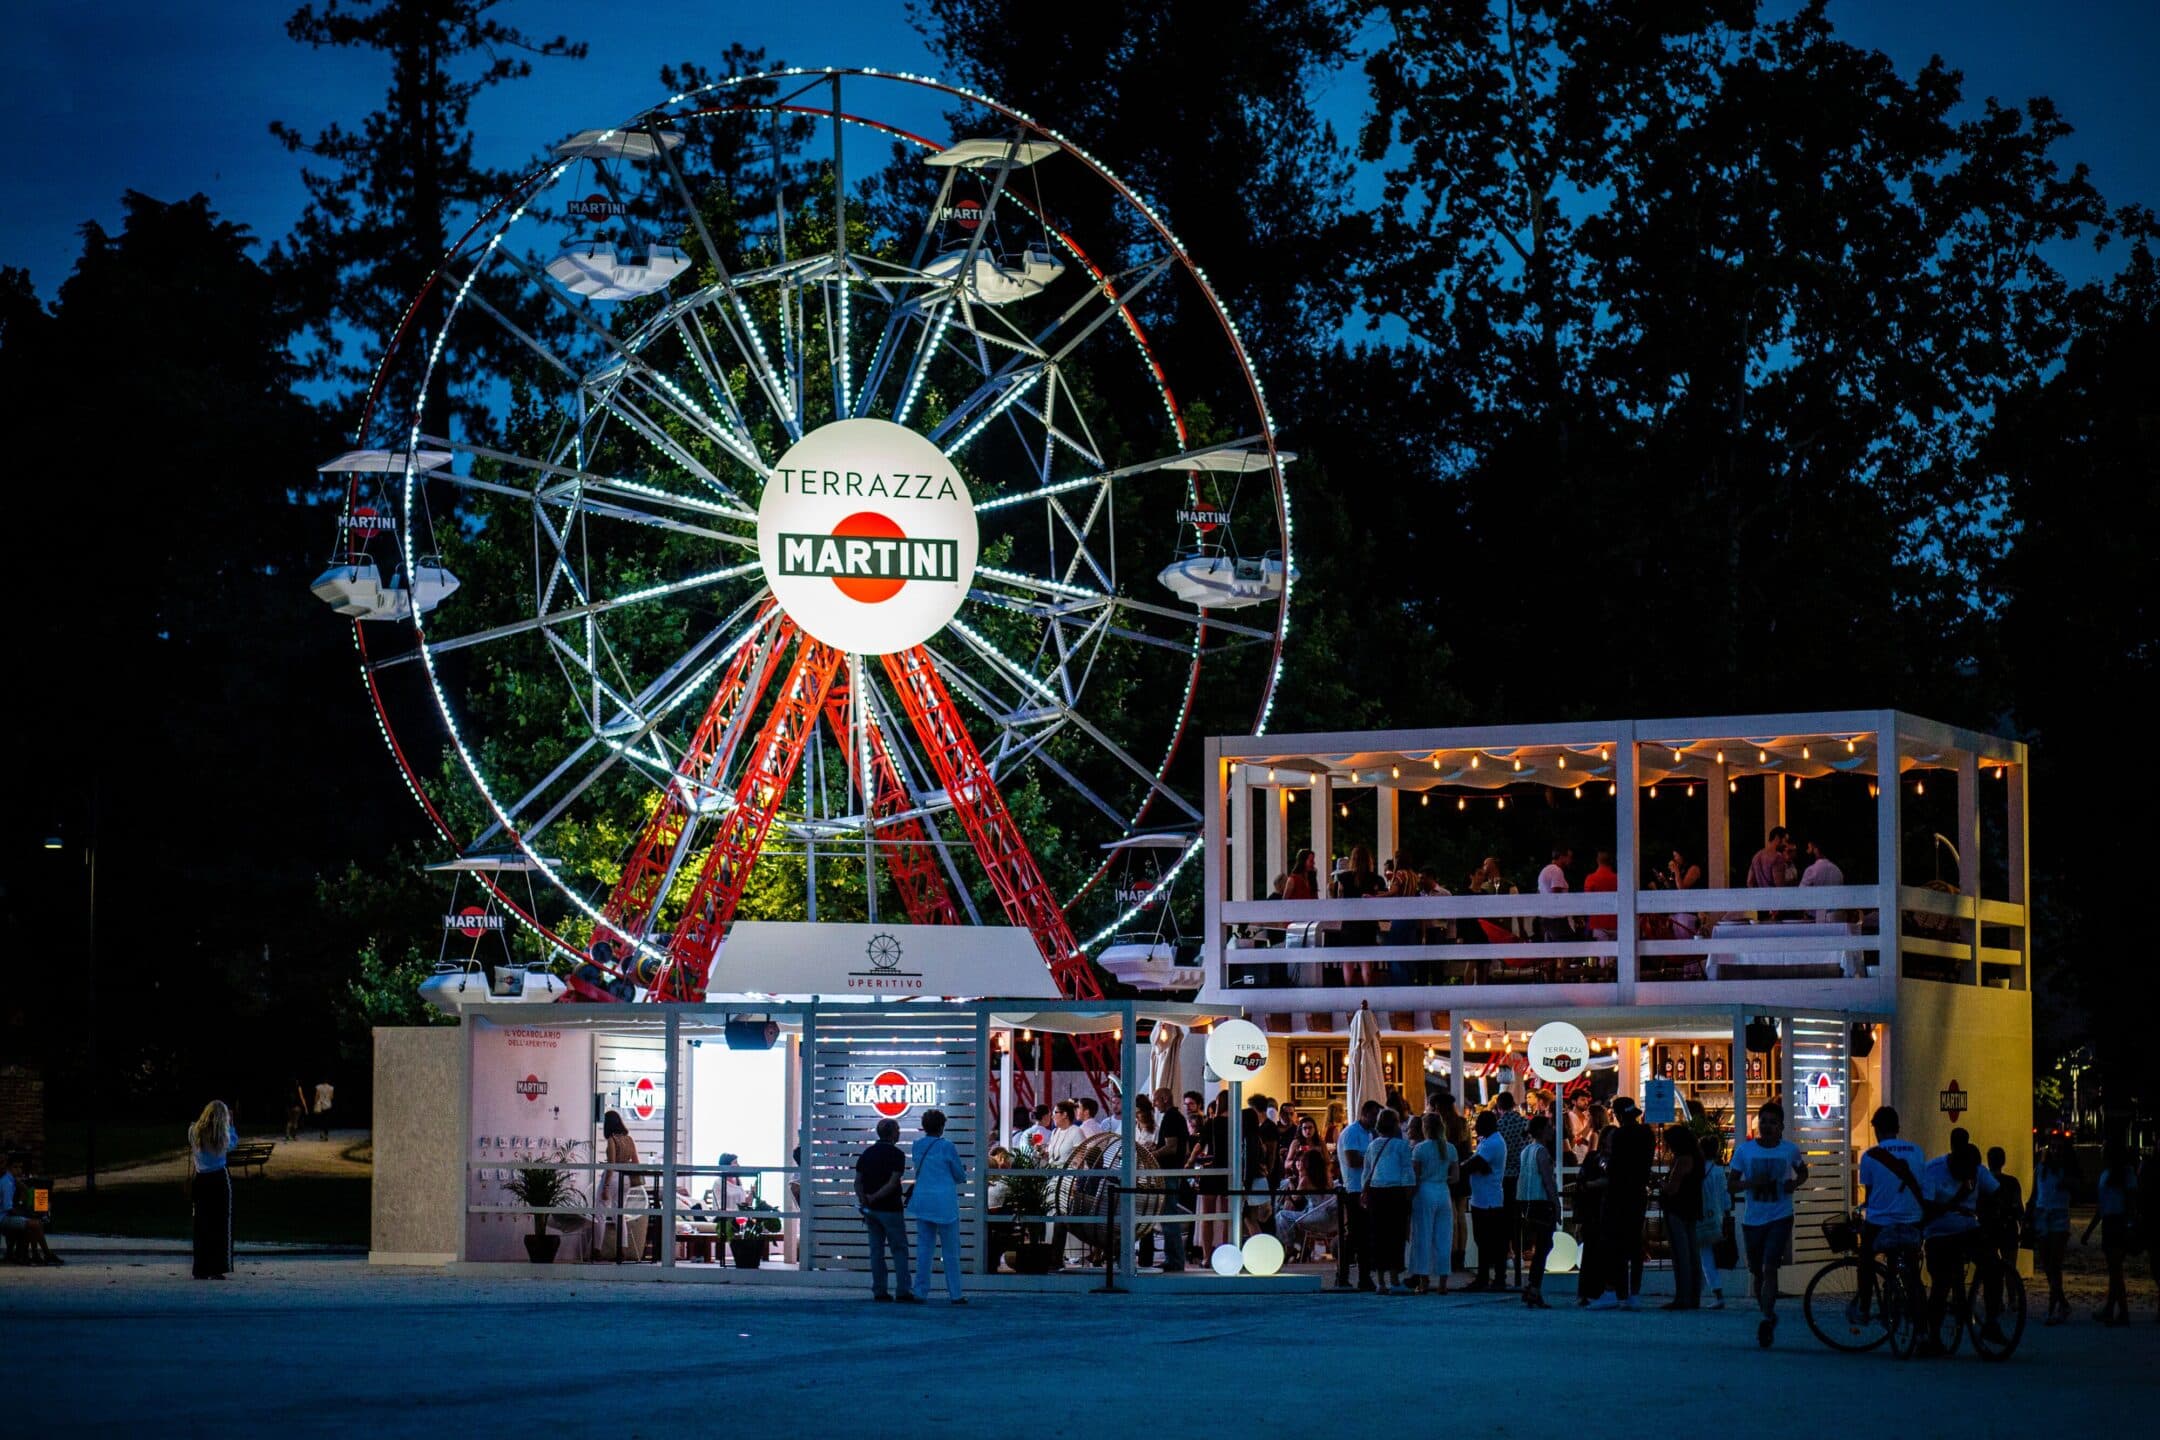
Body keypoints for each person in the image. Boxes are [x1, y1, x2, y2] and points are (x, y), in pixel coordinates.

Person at [1728, 1101, 1807, 1345]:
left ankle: (1764, 1317)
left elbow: (1803, 1171)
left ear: (1781, 1126)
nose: (1767, 1126)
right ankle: (1769, 1313)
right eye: (1763, 1121)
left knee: (1770, 1266)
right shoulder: (1745, 1151)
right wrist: (1752, 1183)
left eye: (1773, 1122)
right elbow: (1732, 1184)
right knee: (1756, 1271)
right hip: (1754, 1219)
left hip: (1780, 1215)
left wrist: (1794, 1184)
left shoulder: (1789, 1150)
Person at [1920, 1138, 2000, 1351]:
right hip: (1939, 1232)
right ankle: (1933, 1336)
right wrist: (1957, 1199)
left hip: (1968, 1228)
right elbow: (1927, 1209)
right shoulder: (1933, 1170)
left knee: (1993, 1264)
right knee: (1941, 1282)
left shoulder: (1977, 1170)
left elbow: (1997, 1194)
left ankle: (1992, 1321)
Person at [1855, 1105, 1927, 1322]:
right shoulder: (1917, 1150)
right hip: (1913, 1220)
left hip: (1880, 1224)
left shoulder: (1870, 1156)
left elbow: (1869, 1196)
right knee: (1913, 1272)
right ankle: (1922, 1327)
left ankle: (1865, 1307)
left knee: (1865, 1259)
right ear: (1897, 1127)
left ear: (1876, 1129)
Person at [1589, 1096, 1654, 1311]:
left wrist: (1603, 1162)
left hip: (1617, 1194)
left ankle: (1612, 1291)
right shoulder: (1647, 1134)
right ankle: (1634, 1293)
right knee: (1635, 1244)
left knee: (1612, 1244)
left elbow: (1613, 1167)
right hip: (1638, 1193)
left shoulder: (1619, 1135)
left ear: (1617, 1115)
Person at [908, 1109, 967, 1304]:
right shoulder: (947, 1146)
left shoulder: (916, 1146)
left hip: (923, 1201)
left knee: (924, 1249)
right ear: (942, 1126)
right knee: (951, 1251)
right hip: (945, 1204)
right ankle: (955, 1293)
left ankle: (920, 1291)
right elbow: (959, 1175)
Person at [855, 1118, 914, 1302]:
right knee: (899, 1250)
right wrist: (875, 1197)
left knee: (876, 1251)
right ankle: (903, 1291)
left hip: (871, 1211)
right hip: (891, 1209)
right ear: (894, 1133)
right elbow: (893, 1183)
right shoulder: (897, 1155)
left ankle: (879, 1290)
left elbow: (857, 1183)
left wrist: (865, 1201)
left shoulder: (867, 1154)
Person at [2081, 1141, 2137, 1327]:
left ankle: (2119, 1311)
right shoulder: (2110, 1175)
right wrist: (2089, 1230)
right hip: (2111, 1222)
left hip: (2118, 1222)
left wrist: (2130, 1224)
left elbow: (2130, 1202)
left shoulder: (2125, 1174)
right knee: (2114, 1271)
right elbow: (2102, 1207)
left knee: (2115, 1271)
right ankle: (2114, 1310)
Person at [1363, 1109, 1416, 1294]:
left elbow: (1366, 1171)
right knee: (1395, 1236)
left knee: (1378, 1236)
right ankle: (1394, 1278)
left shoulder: (1373, 1145)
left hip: (1376, 1194)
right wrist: (1409, 1196)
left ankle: (1380, 1282)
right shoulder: (1402, 1146)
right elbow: (1407, 1172)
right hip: (1396, 1193)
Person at [2030, 1132, 2077, 1324]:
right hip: (2042, 1216)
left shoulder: (2068, 1170)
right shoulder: (2041, 1168)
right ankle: (2062, 1303)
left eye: (2059, 1148)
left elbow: (2077, 1188)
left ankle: (2053, 1308)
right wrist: (2028, 1214)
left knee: (2055, 1264)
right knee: (2048, 1265)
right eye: (2053, 1147)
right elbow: (2035, 1193)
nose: (2056, 1151)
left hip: (2059, 1216)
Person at [1333, 1099, 1380, 1292]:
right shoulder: (1352, 1133)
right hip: (1355, 1188)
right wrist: (1374, 1159)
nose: (1376, 1120)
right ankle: (1344, 1275)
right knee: (1356, 1235)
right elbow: (1351, 1160)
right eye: (1374, 1115)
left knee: (1362, 1235)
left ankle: (1361, 1276)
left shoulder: (1370, 1134)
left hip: (1365, 1188)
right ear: (1365, 1113)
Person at [188, 1100, 237, 1280]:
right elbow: (233, 1144)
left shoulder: (193, 1131)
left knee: (201, 1224)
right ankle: (218, 1266)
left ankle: (200, 1267)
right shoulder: (223, 1135)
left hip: (201, 1178)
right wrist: (231, 1125)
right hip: (219, 1178)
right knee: (222, 1224)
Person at [1408, 1112, 1456, 1293]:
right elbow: (1455, 1177)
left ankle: (1423, 1281)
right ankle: (1443, 1283)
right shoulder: (1450, 1148)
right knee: (1444, 1237)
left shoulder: (1420, 1149)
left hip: (1424, 1192)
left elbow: (1415, 1176)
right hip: (1443, 1191)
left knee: (1422, 1236)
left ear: (1425, 1128)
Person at [1145, 1085, 1191, 1272]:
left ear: (1164, 1098)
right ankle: (1174, 1258)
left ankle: (1174, 1260)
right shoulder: (1178, 1118)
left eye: (1156, 1100)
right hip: (1173, 1170)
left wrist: (1152, 1154)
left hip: (1168, 1172)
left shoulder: (1171, 1118)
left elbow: (1171, 1147)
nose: (1154, 1104)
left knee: (1168, 1216)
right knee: (1168, 1216)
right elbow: (1182, 1148)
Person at [1463, 1110, 1509, 1291]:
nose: (1475, 1127)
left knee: (1489, 1241)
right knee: (1483, 1240)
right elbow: (1478, 1165)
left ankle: (1494, 1278)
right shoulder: (1488, 1141)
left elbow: (1473, 1165)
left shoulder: (1493, 1143)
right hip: (1483, 1198)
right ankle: (1488, 1277)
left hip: (1488, 1200)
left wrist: (1465, 1165)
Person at [1659, 1126, 1704, 1309]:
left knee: (1680, 1255)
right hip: (1692, 1208)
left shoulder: (1682, 1160)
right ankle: (1693, 1296)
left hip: (1677, 1209)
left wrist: (1661, 1183)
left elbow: (1672, 1189)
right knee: (1693, 1253)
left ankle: (1682, 1297)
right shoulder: (1697, 1158)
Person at [1517, 1114, 1559, 1306]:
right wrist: (1556, 1203)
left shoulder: (1526, 1150)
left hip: (1526, 1200)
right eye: (1549, 1127)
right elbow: (1548, 1180)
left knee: (1539, 1245)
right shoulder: (1542, 1152)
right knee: (1544, 1245)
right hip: (1541, 1201)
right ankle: (1534, 1287)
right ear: (1542, 1130)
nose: (1552, 1130)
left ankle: (1532, 1286)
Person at [1574, 1106, 1611, 1305]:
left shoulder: (1593, 1156)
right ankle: (1598, 1290)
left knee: (1591, 1251)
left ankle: (1586, 1292)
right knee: (1596, 1251)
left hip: (1592, 1211)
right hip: (1597, 1211)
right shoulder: (1604, 1159)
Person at [601, 1110, 648, 1262]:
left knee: (599, 1210)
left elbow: (611, 1164)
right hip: (626, 1178)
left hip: (613, 1177)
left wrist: (606, 1186)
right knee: (619, 1212)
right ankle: (622, 1248)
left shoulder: (612, 1140)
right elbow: (636, 1162)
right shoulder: (629, 1140)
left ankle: (596, 1249)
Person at [1494, 1091, 1529, 1285]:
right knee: (1520, 1218)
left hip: (1504, 1176)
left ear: (1499, 1107)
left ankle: (1509, 1253)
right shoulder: (1524, 1123)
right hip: (1521, 1174)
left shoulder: (1499, 1126)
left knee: (1506, 1218)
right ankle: (1520, 1253)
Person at [1, 1152, 59, 1266]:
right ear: (8, 1167)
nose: (19, 1170)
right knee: (35, 1224)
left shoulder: (11, 1181)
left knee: (34, 1222)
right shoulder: (7, 1183)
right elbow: (8, 1208)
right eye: (15, 1167)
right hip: (3, 1218)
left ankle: (36, 1254)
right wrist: (24, 1215)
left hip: (6, 1216)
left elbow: (25, 1192)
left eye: (20, 1167)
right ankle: (46, 1254)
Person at [1697, 1125, 1731, 1309]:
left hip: (1700, 1216)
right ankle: (1712, 1292)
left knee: (1704, 1255)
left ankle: (1714, 1292)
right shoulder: (1718, 1171)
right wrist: (1726, 1215)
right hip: (1716, 1216)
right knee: (1707, 1254)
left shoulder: (1697, 1171)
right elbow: (1725, 1197)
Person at [1798, 839, 1846, 921]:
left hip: (1815, 919)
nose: (1807, 851)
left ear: (1816, 850)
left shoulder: (1811, 870)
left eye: (1809, 848)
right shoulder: (1838, 871)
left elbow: (1799, 895)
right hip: (1836, 919)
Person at [1536, 846, 1574, 942]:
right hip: (1557, 919)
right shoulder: (1557, 871)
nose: (1570, 860)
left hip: (1546, 918)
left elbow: (1538, 893)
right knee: (1568, 948)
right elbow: (1556, 896)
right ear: (1562, 857)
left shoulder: (1544, 870)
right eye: (1569, 857)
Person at [1583, 849, 1619, 941]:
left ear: (1597, 860)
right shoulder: (1618, 879)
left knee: (1603, 953)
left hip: (1598, 923)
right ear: (1611, 861)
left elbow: (1587, 901)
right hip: (1617, 922)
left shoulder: (1591, 879)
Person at [1047, 1100, 1085, 1165]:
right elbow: (1051, 1157)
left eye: (1055, 1113)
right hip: (1052, 1173)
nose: (1052, 1117)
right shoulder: (1054, 1132)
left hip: (1068, 1174)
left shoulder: (1076, 1131)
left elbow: (1079, 1162)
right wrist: (1040, 1151)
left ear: (1065, 1114)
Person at [1564, 1088, 1596, 1165]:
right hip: (1574, 1159)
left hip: (1588, 1159)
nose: (1586, 1102)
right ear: (1573, 1101)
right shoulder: (1568, 1117)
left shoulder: (1588, 1117)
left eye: (1587, 1100)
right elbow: (1572, 1139)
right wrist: (1588, 1126)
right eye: (1582, 1100)